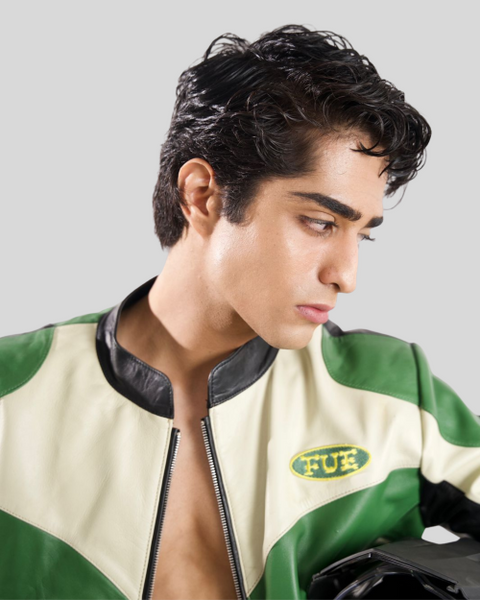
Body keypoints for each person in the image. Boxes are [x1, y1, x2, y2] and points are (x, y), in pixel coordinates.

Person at [0, 23, 479, 600]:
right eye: (320, 222)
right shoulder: (12, 391)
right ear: (202, 195)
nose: (346, 275)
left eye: (363, 235)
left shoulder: (394, 391)